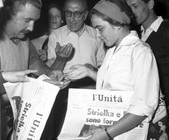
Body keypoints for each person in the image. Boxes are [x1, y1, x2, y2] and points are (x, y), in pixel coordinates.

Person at [65, 0, 159, 140]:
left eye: (100, 28)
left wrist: (107, 133)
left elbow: (143, 107)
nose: (97, 35)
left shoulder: (140, 52)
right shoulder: (112, 50)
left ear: (118, 24)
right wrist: (89, 72)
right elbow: (120, 83)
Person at [0, 0, 73, 138]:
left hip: (20, 120)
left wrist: (50, 75)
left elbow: (34, 62)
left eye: (34, 21)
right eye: (27, 20)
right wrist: (38, 87)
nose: (31, 27)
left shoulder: (24, 39)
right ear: (7, 15)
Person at [125, 0, 169, 138]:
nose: (131, 12)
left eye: (135, 6)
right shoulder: (137, 36)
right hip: (147, 110)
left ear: (150, 4)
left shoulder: (166, 31)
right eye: (128, 7)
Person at [47, 0, 105, 76]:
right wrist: (60, 59)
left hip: (90, 84)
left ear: (85, 15)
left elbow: (102, 67)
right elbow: (51, 73)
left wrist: (91, 69)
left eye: (77, 13)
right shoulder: (55, 36)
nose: (72, 19)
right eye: (68, 13)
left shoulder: (97, 34)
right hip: (64, 85)